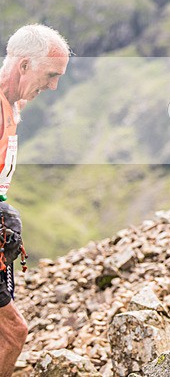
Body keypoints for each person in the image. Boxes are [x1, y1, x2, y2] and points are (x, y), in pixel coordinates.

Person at [0, 25, 70, 377]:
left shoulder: (10, 102)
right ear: (24, 65)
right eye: (51, 75)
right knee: (14, 334)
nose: (53, 86)